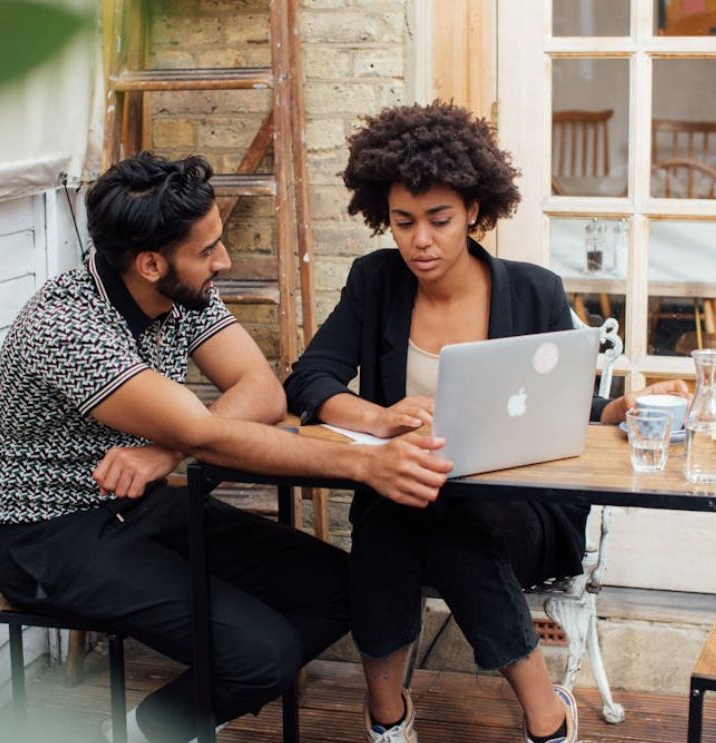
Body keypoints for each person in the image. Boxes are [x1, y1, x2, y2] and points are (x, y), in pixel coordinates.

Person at [0, 151, 453, 743]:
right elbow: (207, 435)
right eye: (207, 250)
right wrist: (365, 462)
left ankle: (168, 722)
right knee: (262, 655)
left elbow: (260, 389)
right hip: (55, 539)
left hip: (145, 505)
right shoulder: (67, 327)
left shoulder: (180, 292)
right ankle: (140, 731)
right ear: (151, 263)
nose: (224, 261)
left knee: (347, 588)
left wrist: (166, 451)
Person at [284, 101, 689, 743]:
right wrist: (380, 418)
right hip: (410, 494)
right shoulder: (375, 283)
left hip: (521, 512)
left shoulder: (533, 291)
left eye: (439, 220)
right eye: (403, 222)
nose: (420, 240)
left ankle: (545, 716)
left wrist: (616, 408)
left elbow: (556, 409)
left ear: (474, 210)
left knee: (449, 525)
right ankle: (391, 718)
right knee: (392, 521)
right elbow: (309, 381)